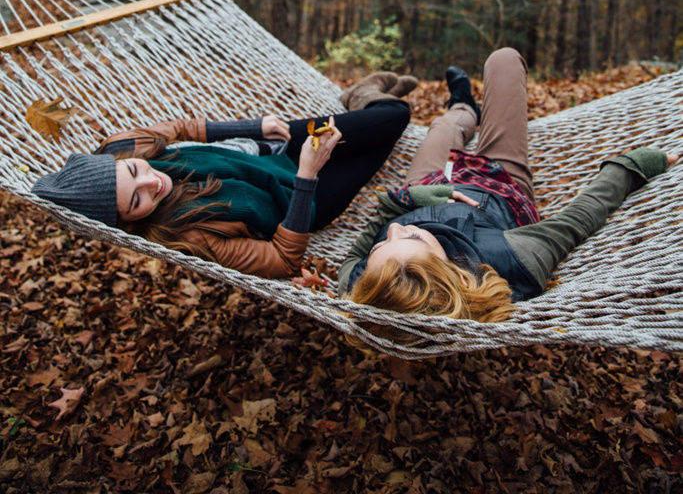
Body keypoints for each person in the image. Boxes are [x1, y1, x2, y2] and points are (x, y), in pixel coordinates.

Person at [338, 48, 678, 324]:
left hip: (426, 186)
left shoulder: (365, 285)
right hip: (499, 183)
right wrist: (630, 168)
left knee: (443, 128)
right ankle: (466, 106)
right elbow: (579, 218)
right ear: (460, 276)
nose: (395, 230)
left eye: (378, 249)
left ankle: (462, 103)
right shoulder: (515, 259)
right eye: (412, 237)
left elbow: (360, 248)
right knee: (504, 59)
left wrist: (409, 200)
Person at [32, 72, 417, 279]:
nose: (153, 183)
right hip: (309, 198)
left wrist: (254, 127)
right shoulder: (191, 235)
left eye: (135, 173)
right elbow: (283, 261)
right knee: (394, 121)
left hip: (276, 148)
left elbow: (182, 129)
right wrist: (307, 176)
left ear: (118, 161)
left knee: (391, 117)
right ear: (125, 223)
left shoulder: (123, 146)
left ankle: (362, 97)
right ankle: (363, 95)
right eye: (137, 200)